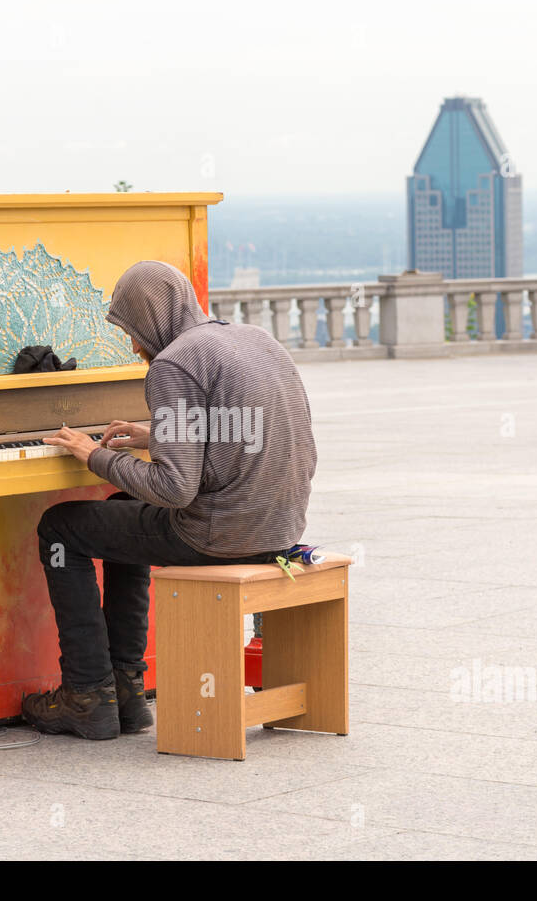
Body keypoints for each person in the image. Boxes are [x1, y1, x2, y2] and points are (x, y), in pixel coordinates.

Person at [21, 260, 317, 740]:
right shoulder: (256, 340)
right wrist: (154, 433)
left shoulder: (175, 361)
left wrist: (92, 454)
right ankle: (127, 690)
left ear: (154, 317)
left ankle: (87, 695)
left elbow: (173, 489)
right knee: (122, 507)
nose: (135, 345)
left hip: (219, 535)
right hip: (280, 525)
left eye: (134, 331)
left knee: (60, 527)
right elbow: (241, 431)